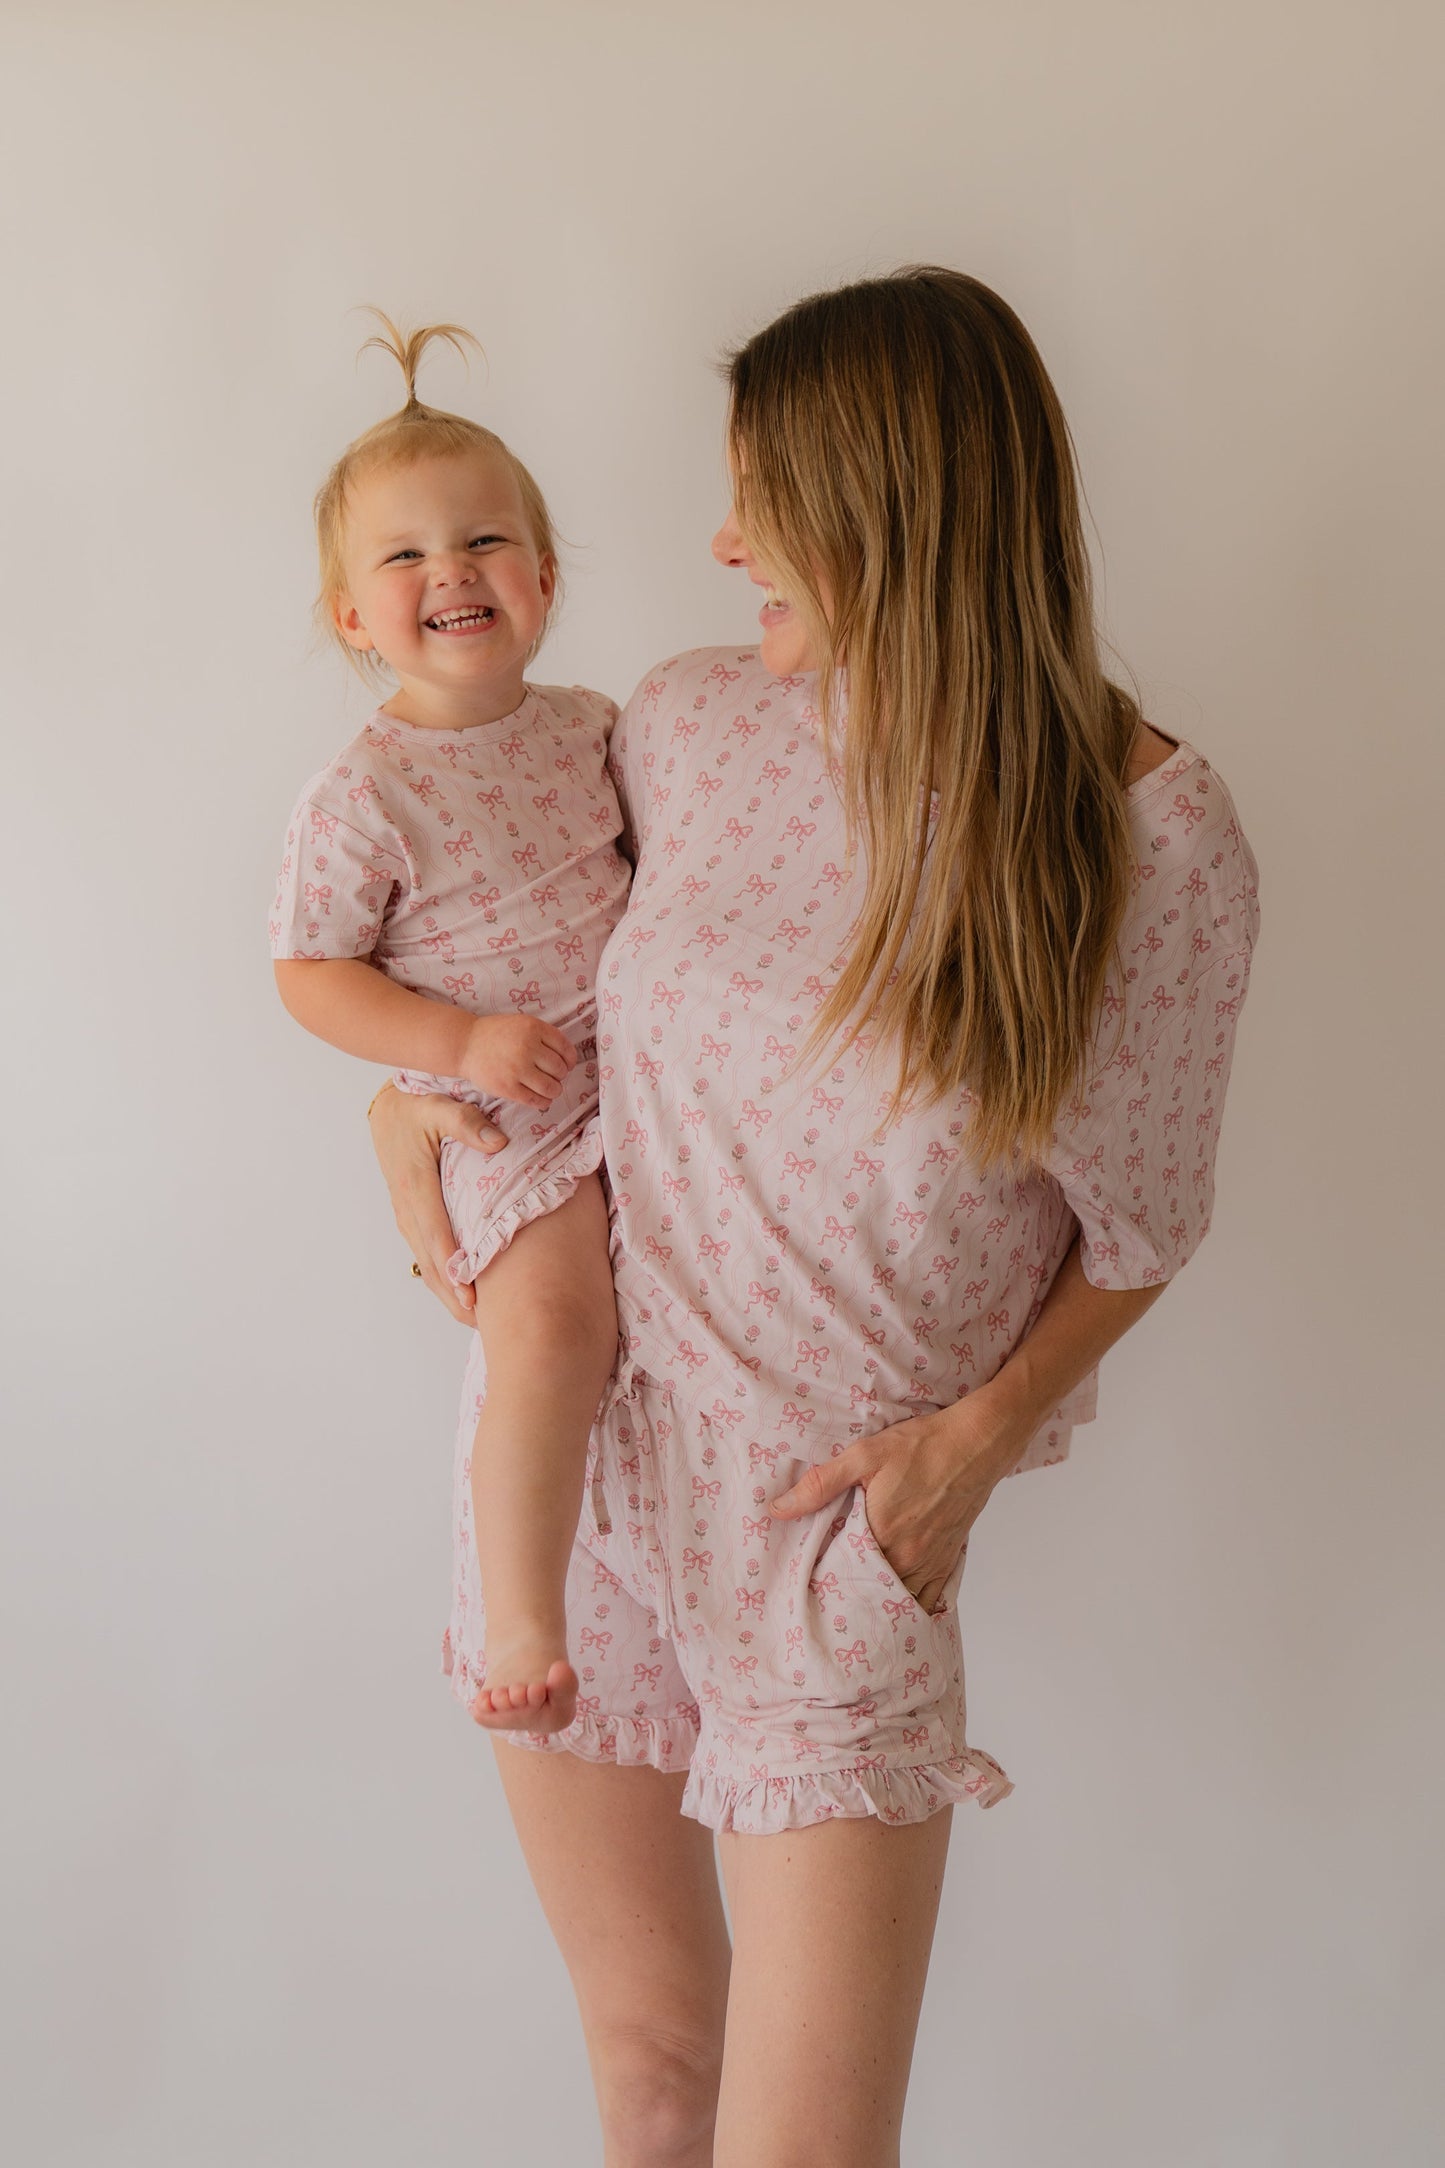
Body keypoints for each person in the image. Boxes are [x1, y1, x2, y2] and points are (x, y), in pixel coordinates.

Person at [369, 268, 1260, 2168]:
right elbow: (491, 935)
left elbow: (1145, 1224)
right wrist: (402, 1097)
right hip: (581, 1479)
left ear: (886, 506)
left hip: (827, 1548)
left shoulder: (1144, 839)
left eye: (757, 497)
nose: (717, 543)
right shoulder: (690, 723)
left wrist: (959, 1458)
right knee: (651, 2080)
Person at [271, 317, 628, 1734]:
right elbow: (310, 974)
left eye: (483, 541)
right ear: (353, 617)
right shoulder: (364, 791)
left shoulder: (595, 725)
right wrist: (453, 1044)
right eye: (404, 556)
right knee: (548, 1328)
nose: (450, 573)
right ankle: (524, 1620)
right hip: (513, 1104)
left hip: (644, 1083)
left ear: (541, 579)